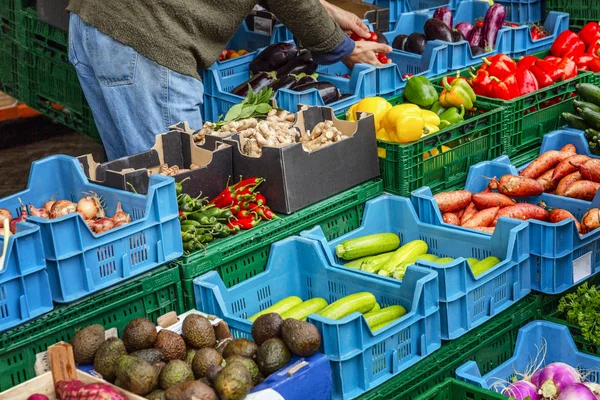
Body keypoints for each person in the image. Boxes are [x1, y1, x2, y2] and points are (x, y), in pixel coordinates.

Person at [67, 0, 392, 160]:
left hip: (93, 21)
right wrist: (342, 47)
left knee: (136, 177)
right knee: (181, 189)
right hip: (147, 41)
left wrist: (327, 11)